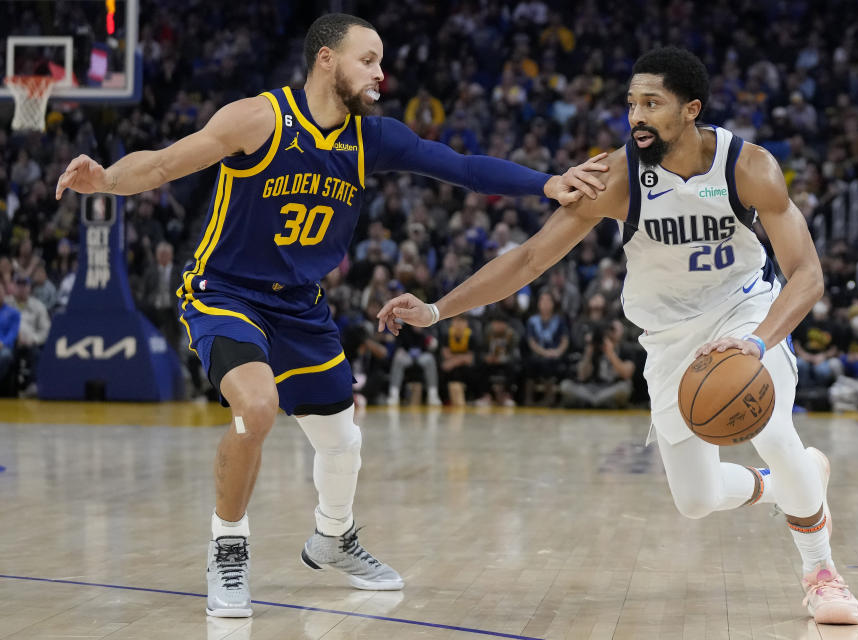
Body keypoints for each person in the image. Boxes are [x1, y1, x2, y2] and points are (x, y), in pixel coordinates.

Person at [55, 13, 607, 619]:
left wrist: (548, 183)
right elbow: (163, 165)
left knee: (342, 442)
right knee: (256, 409)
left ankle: (333, 537)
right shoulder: (259, 119)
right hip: (226, 292)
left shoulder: (373, 138)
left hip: (300, 304)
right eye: (367, 59)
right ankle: (228, 546)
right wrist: (106, 179)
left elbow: (464, 167)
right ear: (326, 59)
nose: (380, 72)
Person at [378, 47, 858, 625]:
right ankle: (787, 482)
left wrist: (758, 341)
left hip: (743, 314)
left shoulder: (747, 166)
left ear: (691, 110)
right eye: (631, 103)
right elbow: (531, 258)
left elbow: (807, 274)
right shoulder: (616, 177)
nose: (635, 115)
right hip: (668, 339)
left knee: (774, 429)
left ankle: (821, 573)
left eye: (651, 103)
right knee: (697, 500)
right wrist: (437, 310)